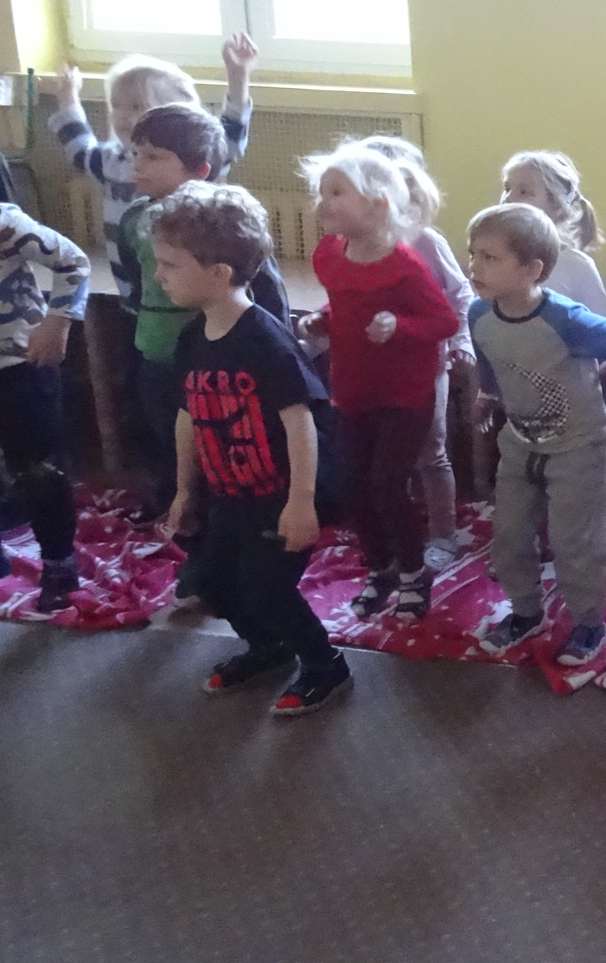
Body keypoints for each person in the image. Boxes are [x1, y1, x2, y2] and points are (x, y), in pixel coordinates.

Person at [152, 181, 348, 716]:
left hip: (279, 496)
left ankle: (325, 663)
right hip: (229, 495)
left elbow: (302, 423)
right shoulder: (192, 338)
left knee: (267, 589)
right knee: (214, 583)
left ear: (218, 273)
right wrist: (184, 489)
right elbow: (188, 416)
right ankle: (268, 646)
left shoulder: (265, 341)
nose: (159, 275)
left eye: (170, 265)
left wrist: (301, 502)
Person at [467, 204, 606, 664]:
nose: (474, 266)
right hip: (520, 443)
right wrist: (488, 395)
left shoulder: (565, 320)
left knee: (576, 541)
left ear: (532, 270)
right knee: (509, 536)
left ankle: (589, 622)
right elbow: (489, 359)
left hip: (579, 446)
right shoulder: (479, 314)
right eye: (472, 254)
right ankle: (526, 612)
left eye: (489, 258)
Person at [119, 103, 290, 609]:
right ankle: (199, 558)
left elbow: (266, 288)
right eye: (136, 154)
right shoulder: (135, 221)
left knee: (224, 469)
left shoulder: (220, 226)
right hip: (158, 360)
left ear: (198, 170)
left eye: (153, 156)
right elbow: (136, 283)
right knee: (176, 458)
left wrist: (278, 348)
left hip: (219, 369)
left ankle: (233, 561)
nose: (138, 166)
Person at [298, 142, 460, 620]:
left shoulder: (405, 266)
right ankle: (381, 568)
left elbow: (444, 320)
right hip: (352, 389)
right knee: (352, 484)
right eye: (323, 192)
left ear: (377, 204)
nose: (323, 202)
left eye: (336, 192)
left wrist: (399, 326)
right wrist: (321, 320)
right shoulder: (331, 254)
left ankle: (413, 572)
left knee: (388, 483)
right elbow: (345, 305)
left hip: (404, 394)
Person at [40, 36, 256, 299]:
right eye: (116, 105)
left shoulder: (190, 159)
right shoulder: (112, 160)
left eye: (137, 106)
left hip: (190, 291)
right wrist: (68, 99)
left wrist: (238, 75)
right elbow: (80, 147)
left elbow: (229, 139)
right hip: (132, 288)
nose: (123, 115)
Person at [362, 136, 475, 572]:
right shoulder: (353, 242)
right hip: (374, 367)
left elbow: (460, 295)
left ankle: (443, 535)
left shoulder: (424, 241)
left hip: (425, 365)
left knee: (431, 452)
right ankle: (396, 532)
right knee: (384, 455)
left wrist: (461, 341)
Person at [0, 203, 89, 611]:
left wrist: (58, 320)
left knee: (39, 471)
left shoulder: (6, 223)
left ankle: (59, 565)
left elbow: (74, 262)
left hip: (19, 365)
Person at [501, 150, 606, 317]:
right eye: (507, 189)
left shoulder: (576, 265)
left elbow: (605, 326)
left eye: (524, 192)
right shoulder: (494, 259)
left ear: (556, 205)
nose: (508, 199)